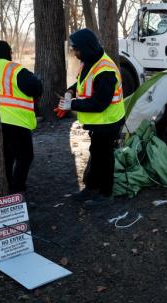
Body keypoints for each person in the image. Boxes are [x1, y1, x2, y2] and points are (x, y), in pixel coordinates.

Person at [59, 28, 125, 207]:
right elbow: (82, 81)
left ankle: (105, 193)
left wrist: (72, 104)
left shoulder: (106, 70)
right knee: (96, 153)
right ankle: (91, 188)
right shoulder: (89, 61)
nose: (75, 53)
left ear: (86, 47)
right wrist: (71, 90)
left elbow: (99, 103)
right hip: (98, 122)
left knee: (104, 157)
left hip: (108, 121)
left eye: (77, 49)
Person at [0, 40, 42, 193]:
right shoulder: (13, 68)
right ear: (7, 52)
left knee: (6, 156)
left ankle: (6, 186)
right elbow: (36, 88)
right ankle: (17, 189)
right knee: (25, 156)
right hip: (15, 121)